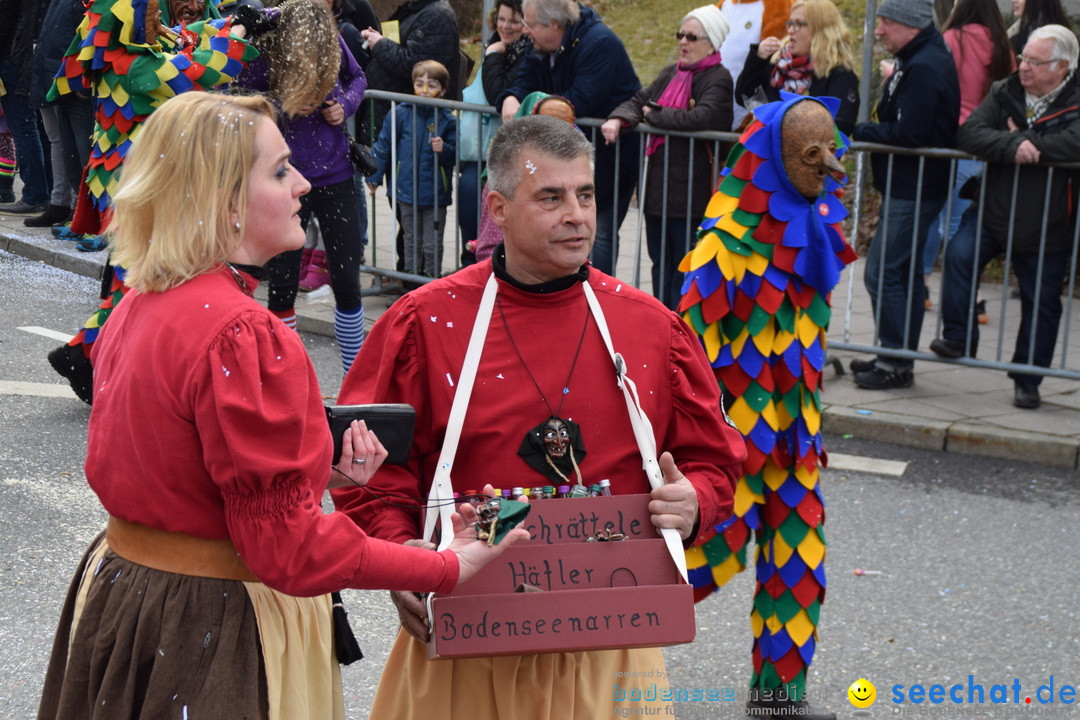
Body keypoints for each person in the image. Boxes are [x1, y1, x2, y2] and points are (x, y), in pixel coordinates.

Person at [35, 91, 526, 720]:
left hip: (128, 595)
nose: (301, 183)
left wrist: (316, 467)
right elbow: (287, 550)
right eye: (278, 170)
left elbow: (174, 467)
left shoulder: (140, 300)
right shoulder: (244, 332)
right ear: (224, 202)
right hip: (213, 620)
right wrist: (443, 565)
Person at [332, 114, 746, 719]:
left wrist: (697, 503)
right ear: (497, 209)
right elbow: (369, 469)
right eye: (550, 197)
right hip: (465, 645)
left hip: (611, 654)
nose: (576, 215)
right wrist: (403, 558)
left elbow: (713, 460)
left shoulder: (650, 327)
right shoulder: (425, 322)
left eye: (585, 195)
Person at [679, 94, 856, 720]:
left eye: (831, 151)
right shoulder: (721, 254)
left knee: (799, 564)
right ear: (778, 160)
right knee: (701, 565)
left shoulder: (819, 235)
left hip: (796, 441)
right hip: (734, 446)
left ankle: (780, 696)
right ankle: (588, 653)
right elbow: (685, 360)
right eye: (813, 155)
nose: (828, 168)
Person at [44, 0, 258, 404]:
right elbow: (201, 72)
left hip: (145, 186)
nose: (158, 15)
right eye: (148, 12)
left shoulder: (143, 51)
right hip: (131, 190)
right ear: (124, 25)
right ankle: (83, 355)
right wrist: (241, 33)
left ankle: (85, 355)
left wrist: (234, 22)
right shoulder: (132, 66)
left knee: (145, 280)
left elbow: (189, 38)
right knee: (143, 282)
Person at [930, 25, 1080, 410]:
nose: (1024, 66)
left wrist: (1029, 141)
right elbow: (971, 134)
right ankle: (960, 337)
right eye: (1024, 57)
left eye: (1035, 60)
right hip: (992, 210)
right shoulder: (1005, 90)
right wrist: (1013, 142)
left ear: (1062, 67)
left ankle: (1027, 380)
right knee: (960, 256)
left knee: (1042, 301)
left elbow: (1074, 142)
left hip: (1049, 221)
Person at [237, 0, 369, 375]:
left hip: (337, 174)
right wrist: (284, 104)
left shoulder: (327, 29)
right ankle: (287, 377)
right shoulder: (269, 33)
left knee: (347, 283)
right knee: (281, 285)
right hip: (285, 178)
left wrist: (343, 104)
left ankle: (355, 380)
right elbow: (241, 93)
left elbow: (357, 78)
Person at [849, 0, 959, 389]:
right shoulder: (919, 58)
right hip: (911, 185)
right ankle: (895, 358)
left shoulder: (925, 66)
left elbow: (910, 134)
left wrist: (859, 132)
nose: (878, 31)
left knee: (882, 273)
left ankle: (893, 361)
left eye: (886, 23)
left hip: (914, 188)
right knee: (904, 272)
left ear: (910, 25)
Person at [601, 4, 734, 310]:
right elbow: (638, 99)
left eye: (691, 37)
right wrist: (620, 118)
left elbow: (704, 117)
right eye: (680, 35)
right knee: (660, 267)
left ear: (711, 43)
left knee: (685, 271)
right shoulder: (671, 73)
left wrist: (654, 114)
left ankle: (682, 336)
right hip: (658, 193)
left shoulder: (718, 78)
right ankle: (662, 327)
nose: (683, 42)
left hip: (692, 195)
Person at [498, 0, 641, 275]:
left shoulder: (601, 44)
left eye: (531, 24)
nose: (525, 30)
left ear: (554, 24)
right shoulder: (539, 42)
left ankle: (597, 297)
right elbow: (523, 81)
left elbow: (579, 102)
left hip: (610, 157)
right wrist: (510, 99)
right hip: (564, 157)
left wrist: (531, 109)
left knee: (597, 232)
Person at [920, 0, 1015, 308]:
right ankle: (969, 295)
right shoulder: (1003, 47)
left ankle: (922, 284)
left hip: (949, 140)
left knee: (933, 217)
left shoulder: (952, 40)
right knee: (963, 225)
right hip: (986, 144)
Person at [367, 59, 456, 278]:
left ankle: (431, 282)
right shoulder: (399, 113)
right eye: (420, 84)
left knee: (432, 243)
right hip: (405, 190)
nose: (425, 90)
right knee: (410, 239)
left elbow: (455, 157)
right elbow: (384, 145)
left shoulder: (447, 119)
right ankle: (410, 282)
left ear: (443, 90)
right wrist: (375, 176)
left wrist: (444, 149)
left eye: (432, 85)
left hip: (435, 193)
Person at [458, 0, 527, 260]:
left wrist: (494, 56)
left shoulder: (522, 53)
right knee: (468, 208)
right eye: (502, 18)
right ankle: (468, 267)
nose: (505, 26)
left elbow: (496, 92)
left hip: (506, 151)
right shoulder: (497, 44)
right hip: (479, 149)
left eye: (514, 20)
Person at [734, 0, 859, 134]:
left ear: (820, 29)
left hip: (809, 153)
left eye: (798, 24)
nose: (790, 30)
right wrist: (758, 59)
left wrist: (780, 120)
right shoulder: (778, 62)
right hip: (770, 153)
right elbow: (745, 96)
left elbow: (841, 125)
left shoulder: (840, 74)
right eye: (790, 23)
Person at [0, 0, 51, 217]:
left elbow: (4, 21)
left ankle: (35, 195)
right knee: (38, 128)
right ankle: (47, 193)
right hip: (30, 54)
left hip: (14, 57)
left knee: (24, 126)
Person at [719, 0, 792, 130]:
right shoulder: (723, 5)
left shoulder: (778, 5)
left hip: (748, 110)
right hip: (714, 105)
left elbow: (773, 64)